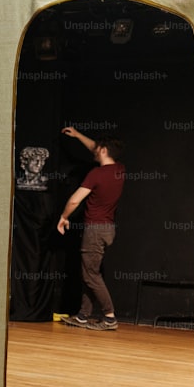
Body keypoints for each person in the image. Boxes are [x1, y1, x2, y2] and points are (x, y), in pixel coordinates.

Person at [56, 126, 124, 331]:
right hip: (108, 229)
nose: (94, 150)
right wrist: (77, 135)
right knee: (89, 272)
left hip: (95, 230)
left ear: (103, 150)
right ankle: (83, 315)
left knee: (90, 275)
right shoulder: (119, 169)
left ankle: (110, 317)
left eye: (98, 148)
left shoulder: (96, 174)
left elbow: (75, 200)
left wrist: (63, 217)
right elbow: (97, 147)